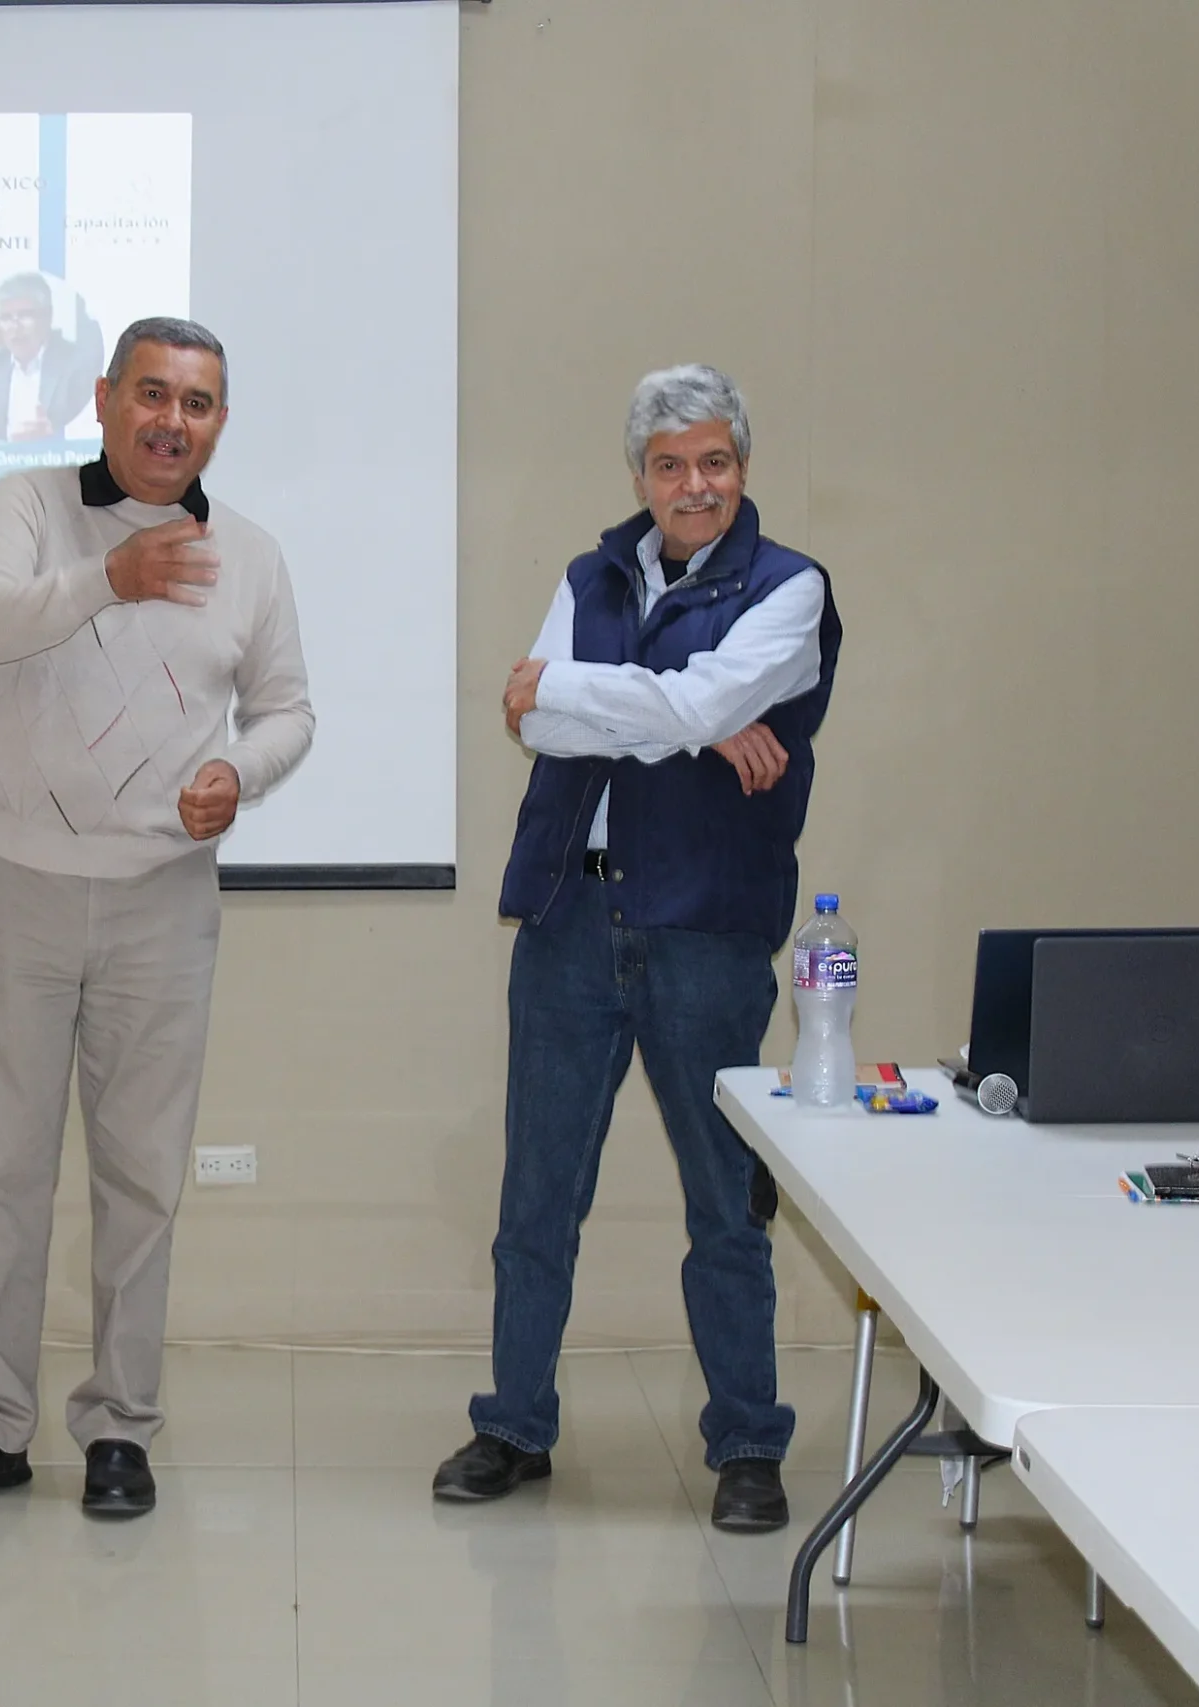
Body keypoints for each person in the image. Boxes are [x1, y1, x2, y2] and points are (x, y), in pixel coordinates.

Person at [0, 317, 314, 1519]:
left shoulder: (252, 555)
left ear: (218, 423)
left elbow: (288, 709)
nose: (170, 421)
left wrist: (239, 773)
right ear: (102, 397)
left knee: (141, 1179)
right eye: (151, 393)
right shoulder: (28, 507)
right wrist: (109, 578)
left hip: (161, 902)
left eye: (196, 403)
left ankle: (120, 1429)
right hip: (14, 886)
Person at [433, 365, 842, 1533]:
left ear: (742, 467)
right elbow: (539, 721)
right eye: (669, 466)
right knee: (535, 1197)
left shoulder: (790, 588)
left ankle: (747, 1445)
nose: (693, 485)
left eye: (713, 462)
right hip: (571, 919)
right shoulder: (592, 575)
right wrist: (693, 721)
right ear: (640, 477)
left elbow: (642, 702)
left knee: (724, 1207)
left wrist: (613, 698)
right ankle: (514, 1425)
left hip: (706, 929)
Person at [0, 272, 103, 441]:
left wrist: (54, 436)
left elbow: (87, 427)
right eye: (6, 318)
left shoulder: (77, 365)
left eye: (25, 315)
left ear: (47, 316)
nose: (15, 326)